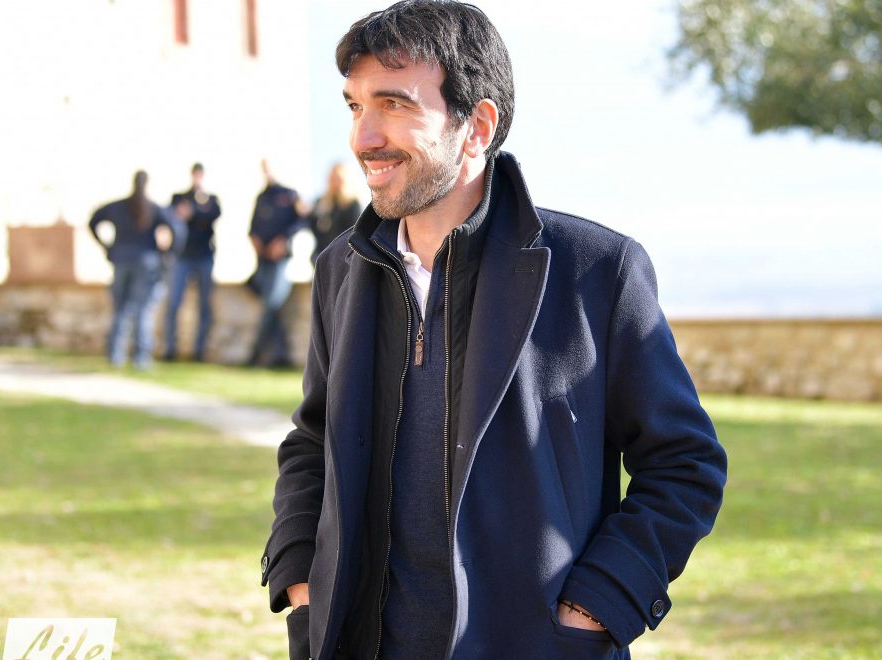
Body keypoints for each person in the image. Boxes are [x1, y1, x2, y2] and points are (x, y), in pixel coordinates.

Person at [261, 2, 728, 659]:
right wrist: (301, 584)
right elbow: (313, 442)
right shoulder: (341, 268)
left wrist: (598, 605)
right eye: (355, 106)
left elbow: (684, 463)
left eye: (394, 104)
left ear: (476, 127)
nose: (363, 137)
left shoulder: (596, 270)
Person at [89, 170, 183, 369]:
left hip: (122, 260)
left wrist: (107, 246)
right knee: (143, 310)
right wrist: (167, 255)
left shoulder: (118, 207)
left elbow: (93, 221)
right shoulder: (153, 208)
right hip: (145, 263)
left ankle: (116, 355)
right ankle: (141, 358)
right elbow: (178, 229)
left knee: (121, 309)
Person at [163, 162, 222, 362]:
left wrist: (193, 212)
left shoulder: (211, 200)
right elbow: (171, 215)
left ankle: (199, 350)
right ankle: (170, 348)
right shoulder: (179, 197)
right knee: (174, 302)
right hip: (182, 256)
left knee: (204, 305)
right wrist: (195, 214)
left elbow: (213, 215)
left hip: (204, 256)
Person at [247, 159, 303, 367]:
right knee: (273, 306)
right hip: (263, 260)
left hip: (280, 260)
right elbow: (253, 226)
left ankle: (255, 353)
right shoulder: (261, 197)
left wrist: (283, 240)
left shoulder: (289, 195)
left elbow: (301, 221)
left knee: (271, 304)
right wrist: (254, 240)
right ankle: (282, 355)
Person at [309, 162, 362, 264]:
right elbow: (313, 226)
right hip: (322, 255)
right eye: (332, 179)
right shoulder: (321, 202)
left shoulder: (352, 203)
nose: (335, 183)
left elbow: (355, 231)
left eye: (338, 179)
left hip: (342, 257)